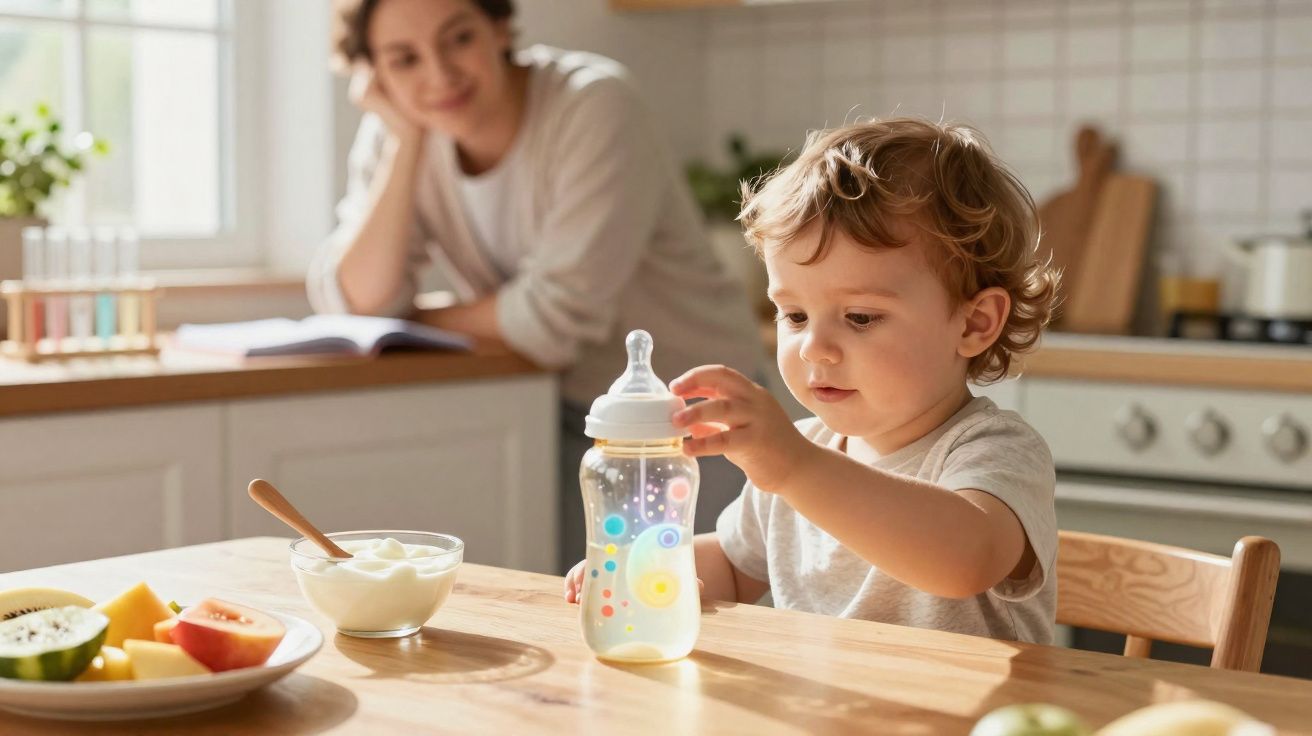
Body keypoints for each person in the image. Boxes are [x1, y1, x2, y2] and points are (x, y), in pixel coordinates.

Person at [567, 118, 1061, 644]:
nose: (814, 348)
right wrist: (647, 570)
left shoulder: (996, 452)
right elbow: (736, 568)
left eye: (861, 317)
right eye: (795, 316)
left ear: (974, 323)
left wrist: (795, 469)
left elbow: (964, 561)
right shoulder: (801, 451)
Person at [309, 0, 764, 571]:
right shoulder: (400, 132)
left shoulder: (595, 105)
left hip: (691, 424)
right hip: (554, 411)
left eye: (459, 39)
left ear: (499, 26)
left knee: (691, 626)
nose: (439, 75)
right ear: (372, 74)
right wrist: (404, 140)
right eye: (403, 59)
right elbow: (355, 301)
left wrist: (414, 322)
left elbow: (549, 322)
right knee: (581, 620)